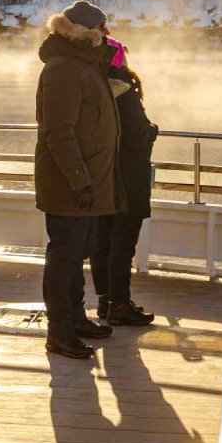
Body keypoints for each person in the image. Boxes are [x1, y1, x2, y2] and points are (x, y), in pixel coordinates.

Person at [35, 0, 123, 358]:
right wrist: (79, 181)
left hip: (87, 183)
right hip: (70, 185)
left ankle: (75, 317)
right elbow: (58, 131)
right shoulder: (63, 69)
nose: (107, 35)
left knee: (75, 258)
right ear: (85, 32)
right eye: (102, 29)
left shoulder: (84, 64)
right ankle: (59, 331)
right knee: (63, 257)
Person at [89, 36, 158, 326]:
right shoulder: (125, 92)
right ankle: (119, 304)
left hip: (104, 176)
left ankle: (105, 301)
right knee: (123, 242)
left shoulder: (95, 88)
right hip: (128, 178)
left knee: (102, 238)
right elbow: (137, 135)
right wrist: (152, 130)